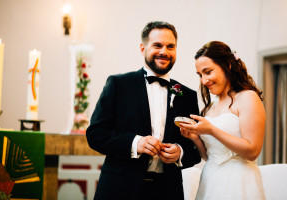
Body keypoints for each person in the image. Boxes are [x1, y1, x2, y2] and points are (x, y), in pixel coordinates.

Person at [86, 21, 201, 200]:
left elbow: (196, 149)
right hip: (119, 190)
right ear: (142, 48)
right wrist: (135, 143)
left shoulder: (187, 95)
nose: (164, 51)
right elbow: (95, 135)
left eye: (170, 46)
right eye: (157, 45)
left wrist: (180, 152)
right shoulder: (118, 84)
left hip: (167, 191)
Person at [179, 41, 266, 199]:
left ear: (228, 65)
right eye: (200, 75)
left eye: (208, 72)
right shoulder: (211, 107)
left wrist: (211, 130)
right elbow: (209, 156)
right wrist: (194, 137)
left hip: (240, 181)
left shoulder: (247, 97)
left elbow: (253, 151)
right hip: (210, 180)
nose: (204, 81)